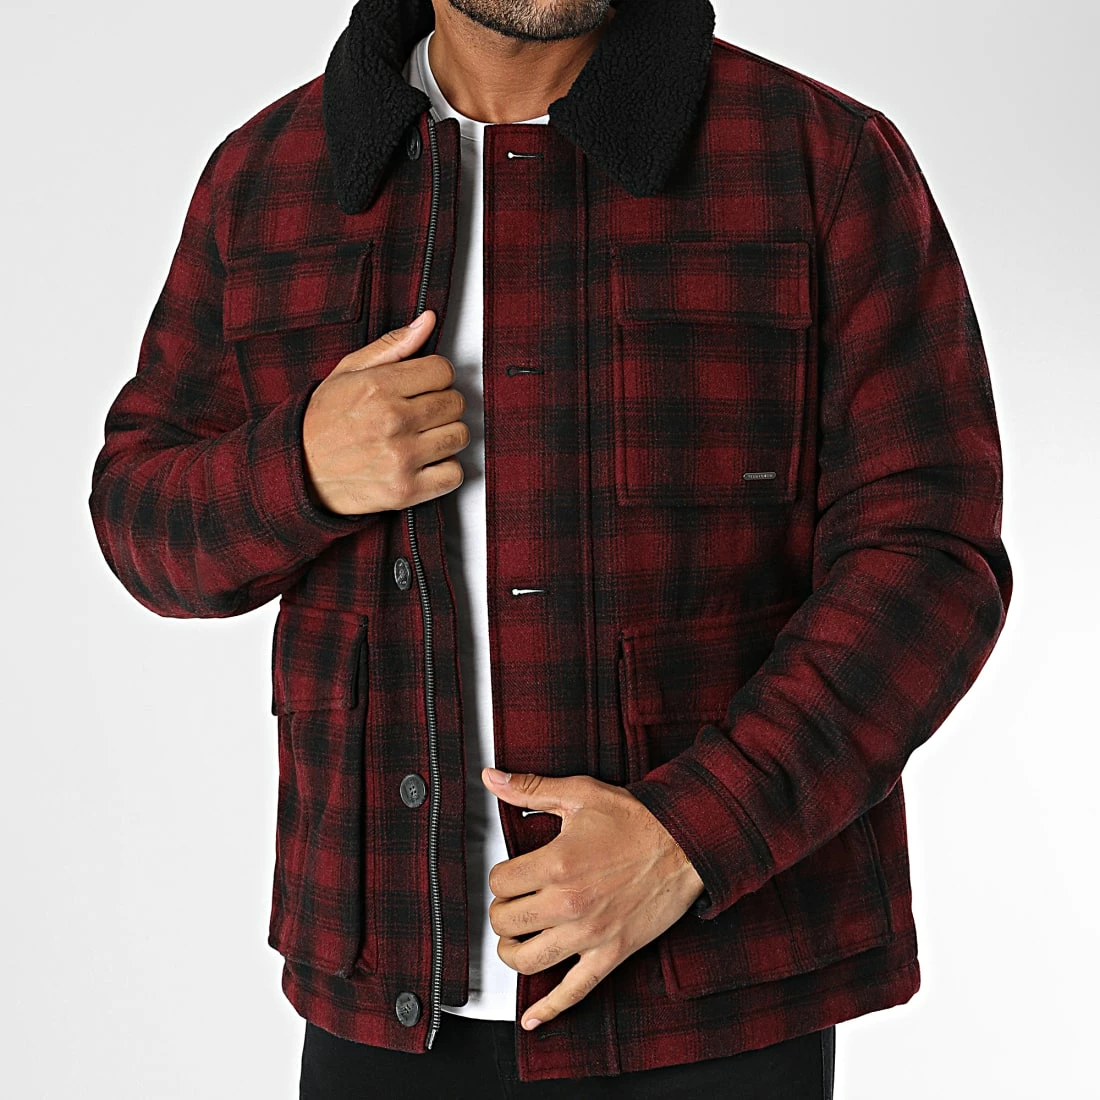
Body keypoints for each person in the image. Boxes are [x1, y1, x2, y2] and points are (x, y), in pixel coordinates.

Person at [87, 0, 1012, 1095]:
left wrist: (688, 835)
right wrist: (299, 468)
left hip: (710, 992)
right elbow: (139, 519)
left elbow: (929, 555)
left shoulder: (819, 157)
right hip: (384, 989)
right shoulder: (266, 177)